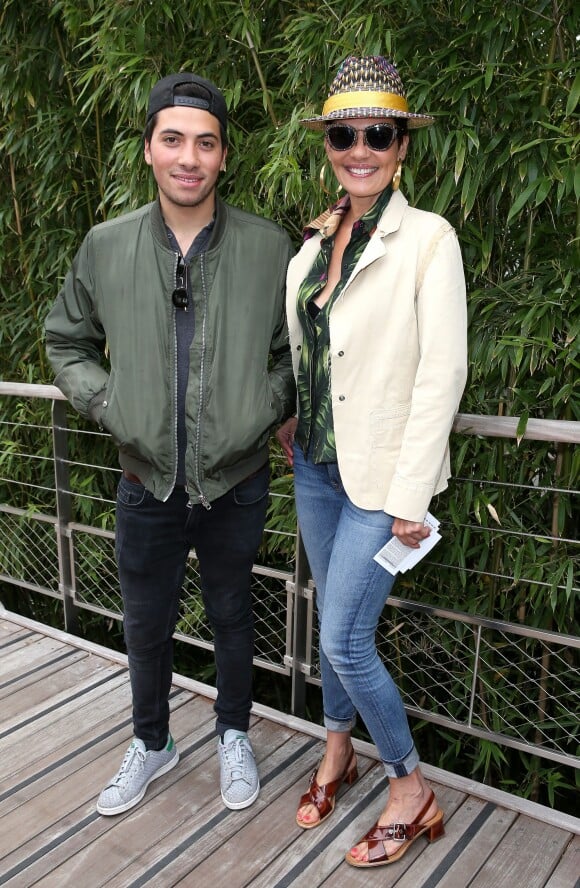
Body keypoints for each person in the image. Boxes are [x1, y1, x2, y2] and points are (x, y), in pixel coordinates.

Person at [45, 72, 295, 815]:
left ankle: (233, 734)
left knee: (232, 616)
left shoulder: (267, 246)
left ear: (224, 157)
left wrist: (266, 405)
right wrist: (111, 402)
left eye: (206, 143)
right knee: (146, 624)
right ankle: (152, 741)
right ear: (150, 149)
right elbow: (66, 341)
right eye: (174, 139)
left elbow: (294, 354)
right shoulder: (107, 244)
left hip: (236, 480)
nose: (190, 157)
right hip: (144, 480)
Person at [276, 56, 467, 867]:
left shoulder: (428, 239)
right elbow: (313, 350)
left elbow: (443, 372)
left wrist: (411, 494)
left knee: (349, 639)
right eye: (344, 134)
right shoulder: (318, 240)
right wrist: (289, 421)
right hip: (316, 467)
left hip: (383, 483)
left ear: (400, 146)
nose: (360, 148)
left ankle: (409, 786)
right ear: (327, 143)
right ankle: (336, 751)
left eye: (377, 134)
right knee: (331, 619)